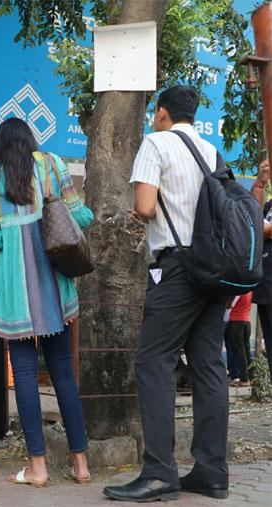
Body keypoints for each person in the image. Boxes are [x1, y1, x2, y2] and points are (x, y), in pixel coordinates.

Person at [104, 86, 229, 502]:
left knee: (154, 361)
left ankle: (159, 472)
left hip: (176, 268)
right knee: (208, 365)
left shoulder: (155, 143)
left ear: (161, 113)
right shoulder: (210, 151)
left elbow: (143, 206)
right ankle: (212, 472)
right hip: (213, 269)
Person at [0, 118, 92, 487]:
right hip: (55, 282)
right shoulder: (52, 163)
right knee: (63, 374)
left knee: (23, 375)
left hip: (15, 290)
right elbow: (81, 215)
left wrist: (11, 228)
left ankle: (38, 468)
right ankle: (81, 464)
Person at [251, 159, 272, 381]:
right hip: (266, 288)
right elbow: (253, 218)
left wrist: (265, 229)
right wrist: (260, 182)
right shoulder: (269, 206)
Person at [226, 292, 253, 387]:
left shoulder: (239, 291)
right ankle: (252, 377)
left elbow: (230, 305)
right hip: (247, 321)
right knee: (247, 350)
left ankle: (244, 379)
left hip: (237, 321)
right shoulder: (251, 291)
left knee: (239, 351)